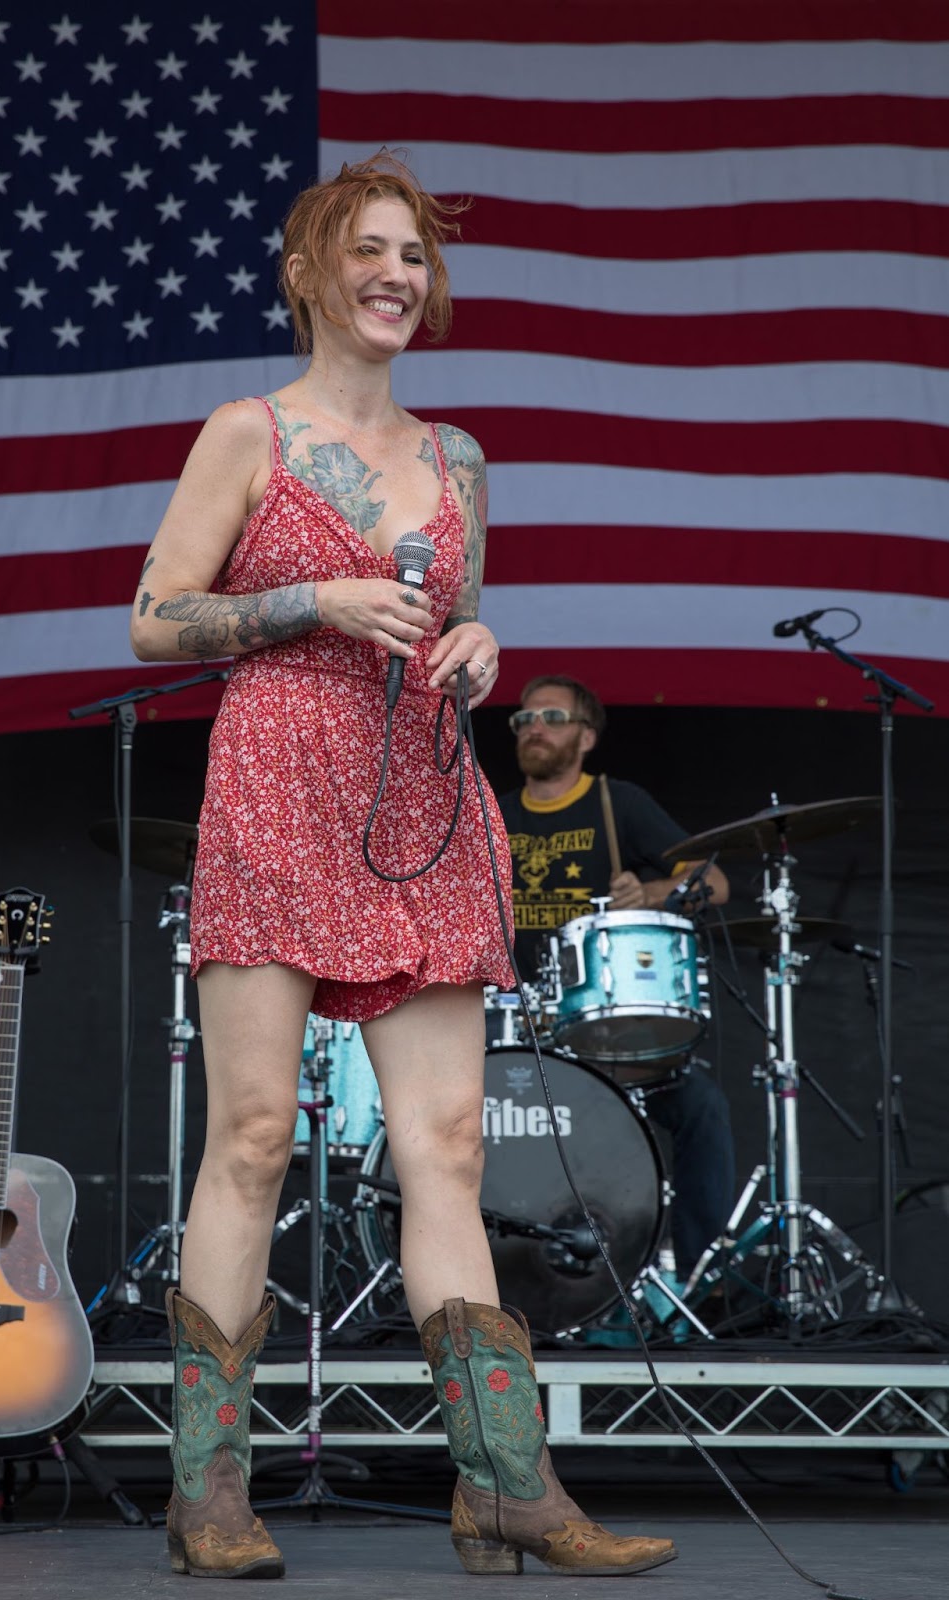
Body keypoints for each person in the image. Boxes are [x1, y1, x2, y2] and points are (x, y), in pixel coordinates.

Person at [130, 154, 675, 1580]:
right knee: (251, 1139)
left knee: (442, 1143)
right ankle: (211, 1495)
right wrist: (311, 596)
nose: (396, 274)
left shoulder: (458, 458)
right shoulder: (246, 431)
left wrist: (477, 648)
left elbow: (464, 621)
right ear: (312, 271)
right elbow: (152, 617)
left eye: (415, 257)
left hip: (422, 799)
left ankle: (503, 1485)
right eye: (369, 250)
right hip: (275, 778)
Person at [497, 674, 736, 1296]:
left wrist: (653, 891)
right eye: (524, 719)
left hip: (604, 1030)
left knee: (702, 1109)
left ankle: (700, 1284)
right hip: (516, 1029)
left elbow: (716, 885)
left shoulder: (617, 803)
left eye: (551, 716)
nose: (534, 728)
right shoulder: (493, 813)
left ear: (586, 735)